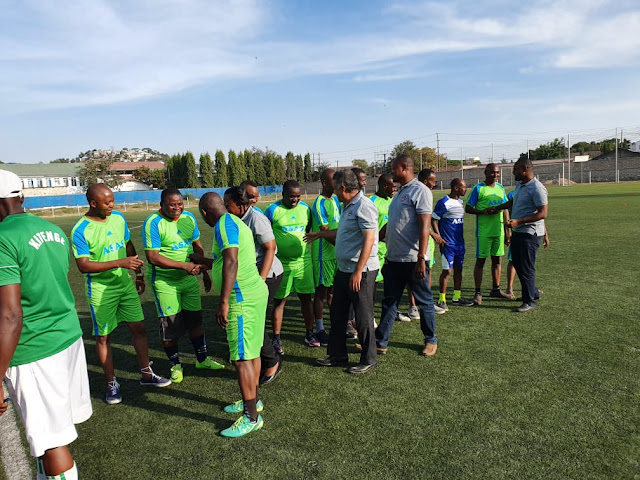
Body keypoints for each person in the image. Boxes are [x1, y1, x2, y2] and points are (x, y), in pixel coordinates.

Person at [0, 170, 92, 480]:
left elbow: (11, 315)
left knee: (52, 442)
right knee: (51, 436)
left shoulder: (2, 237)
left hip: (33, 347)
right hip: (67, 337)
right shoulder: (51, 229)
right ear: (21, 197)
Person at [71, 184, 170, 405]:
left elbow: (128, 245)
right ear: (93, 203)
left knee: (139, 328)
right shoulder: (81, 229)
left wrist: (138, 274)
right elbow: (83, 266)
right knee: (103, 337)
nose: (112, 206)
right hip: (100, 290)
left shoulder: (118, 218)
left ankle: (146, 373)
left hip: (125, 285)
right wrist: (119, 263)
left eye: (113, 201)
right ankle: (111, 383)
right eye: (107, 203)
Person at [196, 192, 269, 437]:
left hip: (241, 298)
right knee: (252, 352)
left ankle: (251, 417)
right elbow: (224, 260)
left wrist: (224, 301)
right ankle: (254, 401)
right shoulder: (234, 221)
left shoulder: (223, 225)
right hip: (254, 293)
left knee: (240, 359)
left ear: (204, 213)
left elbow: (231, 261)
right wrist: (204, 261)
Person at [142, 188, 224, 383]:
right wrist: (184, 266)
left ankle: (202, 360)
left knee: (195, 321)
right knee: (170, 326)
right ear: (162, 204)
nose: (177, 208)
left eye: (180, 204)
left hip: (189, 280)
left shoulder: (188, 218)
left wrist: (203, 271)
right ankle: (175, 365)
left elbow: (197, 246)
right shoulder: (153, 223)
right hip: (165, 282)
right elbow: (153, 257)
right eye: (172, 205)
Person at [311, 170, 380, 373]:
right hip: (344, 269)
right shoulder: (347, 205)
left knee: (363, 316)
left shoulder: (364, 206)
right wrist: (319, 234)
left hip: (361, 271)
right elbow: (344, 232)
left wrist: (358, 271)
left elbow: (369, 239)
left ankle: (369, 359)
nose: (334, 193)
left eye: (335, 189)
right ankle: (337, 355)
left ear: (343, 188)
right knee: (338, 313)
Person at [374, 155, 438, 357]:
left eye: (394, 168)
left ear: (403, 167)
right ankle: (380, 342)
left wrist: (421, 258)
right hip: (394, 258)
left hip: (412, 259)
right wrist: (375, 238)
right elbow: (393, 222)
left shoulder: (420, 191)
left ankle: (430, 340)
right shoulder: (400, 192)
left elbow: (424, 225)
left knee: (424, 301)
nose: (391, 172)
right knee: (389, 302)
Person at [221, 187, 283, 385]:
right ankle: (256, 357)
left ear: (240, 205)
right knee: (252, 321)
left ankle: (271, 362)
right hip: (253, 277)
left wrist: (261, 279)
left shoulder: (256, 218)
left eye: (228, 205)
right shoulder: (236, 220)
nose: (225, 209)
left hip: (268, 275)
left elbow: (270, 248)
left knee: (254, 321)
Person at [264, 180, 317, 353]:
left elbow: (307, 228)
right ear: (283, 195)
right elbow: (265, 233)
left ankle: (310, 333)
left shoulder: (305, 209)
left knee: (306, 299)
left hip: (303, 262)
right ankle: (276, 339)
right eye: (291, 196)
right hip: (281, 264)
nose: (295, 200)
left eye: (298, 196)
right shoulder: (272, 210)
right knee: (280, 301)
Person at [499, 159, 549, 312]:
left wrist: (518, 221)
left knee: (526, 267)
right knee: (518, 264)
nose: (513, 172)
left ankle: (529, 302)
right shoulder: (520, 185)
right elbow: (513, 202)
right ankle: (533, 293)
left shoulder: (537, 188)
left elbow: (543, 213)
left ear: (525, 169)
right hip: (519, 232)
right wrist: (496, 208)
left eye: (515, 169)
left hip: (530, 234)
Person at [465, 163, 511, 305]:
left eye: (497, 173)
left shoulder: (500, 188)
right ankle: (478, 292)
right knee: (481, 261)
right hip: (484, 232)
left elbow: (505, 208)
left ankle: (496, 289)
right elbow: (468, 207)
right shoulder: (478, 188)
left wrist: (507, 230)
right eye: (492, 172)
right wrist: (482, 212)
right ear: (485, 173)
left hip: (498, 231)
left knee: (497, 260)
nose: (495, 175)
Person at [431, 178, 475, 310]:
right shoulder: (444, 202)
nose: (465, 189)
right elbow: (433, 219)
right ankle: (442, 300)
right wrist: (438, 236)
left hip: (459, 244)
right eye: (463, 187)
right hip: (448, 244)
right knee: (447, 271)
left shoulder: (460, 202)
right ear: (456, 188)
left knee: (458, 270)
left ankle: (456, 297)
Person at [310, 169, 341, 346]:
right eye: (333, 181)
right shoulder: (319, 203)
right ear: (324, 183)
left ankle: (336, 326)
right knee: (321, 293)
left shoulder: (335, 200)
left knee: (333, 292)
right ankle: (320, 329)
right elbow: (325, 231)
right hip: (323, 255)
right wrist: (343, 247)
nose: (336, 184)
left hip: (336, 254)